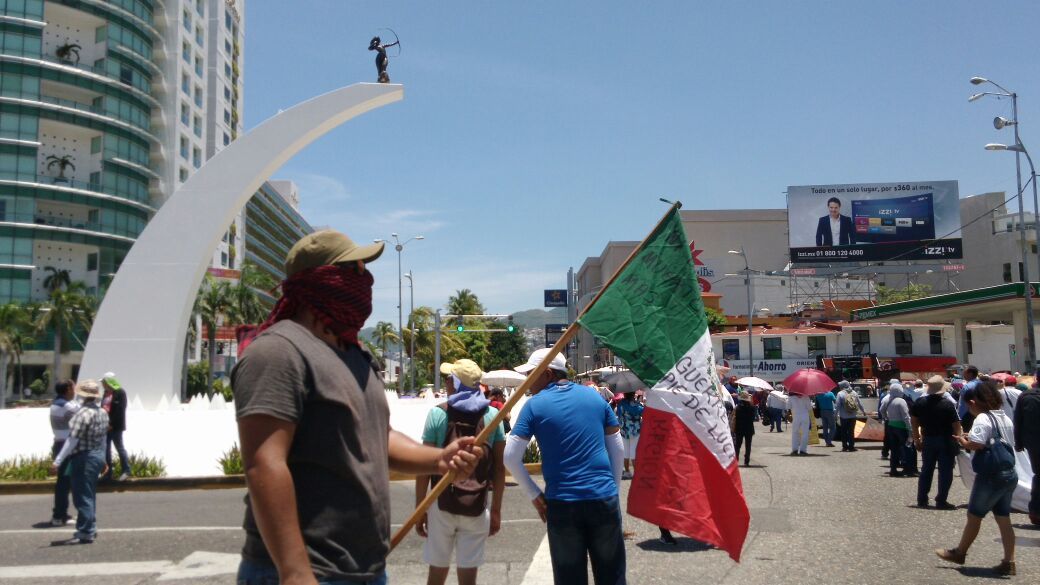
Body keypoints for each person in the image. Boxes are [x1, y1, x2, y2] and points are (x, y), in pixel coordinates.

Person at [231, 230, 483, 585]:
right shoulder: (278, 352)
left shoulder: (357, 355)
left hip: (365, 570)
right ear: (320, 281)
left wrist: (438, 460)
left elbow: (378, 438)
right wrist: (294, 571)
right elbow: (264, 464)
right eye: (354, 270)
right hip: (304, 573)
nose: (365, 280)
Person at [503, 348, 626, 585]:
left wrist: (534, 494)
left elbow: (510, 456)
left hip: (563, 503)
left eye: (531, 373)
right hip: (603, 498)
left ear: (548, 373)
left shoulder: (534, 405)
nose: (527, 380)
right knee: (612, 576)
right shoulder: (594, 397)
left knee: (570, 579)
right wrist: (613, 489)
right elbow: (617, 447)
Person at [416, 359, 506, 585]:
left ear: (456, 384)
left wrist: (420, 509)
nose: (446, 383)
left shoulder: (438, 415)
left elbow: (424, 468)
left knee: (436, 573)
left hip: (440, 505)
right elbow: (499, 468)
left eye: (449, 379)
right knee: (468, 578)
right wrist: (496, 510)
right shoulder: (492, 417)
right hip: (476, 505)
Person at [936, 381, 1018, 576]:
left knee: (974, 515)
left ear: (973, 402)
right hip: (1009, 473)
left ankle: (960, 552)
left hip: (990, 475)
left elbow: (976, 444)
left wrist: (964, 440)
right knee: (1004, 518)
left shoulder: (982, 418)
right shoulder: (1004, 417)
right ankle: (1009, 561)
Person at [49, 380, 108, 545]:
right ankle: (91, 527)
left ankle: (85, 530)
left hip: (83, 456)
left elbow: (72, 440)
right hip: (96, 455)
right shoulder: (102, 412)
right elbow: (104, 438)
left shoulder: (81, 414)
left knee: (82, 496)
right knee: (89, 494)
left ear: (81, 395)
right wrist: (103, 458)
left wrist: (58, 461)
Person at [911, 375, 961, 509]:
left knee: (926, 469)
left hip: (928, 439)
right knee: (945, 471)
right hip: (945, 440)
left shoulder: (920, 403)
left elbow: (914, 422)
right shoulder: (947, 404)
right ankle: (941, 499)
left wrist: (917, 439)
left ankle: (922, 498)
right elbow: (956, 425)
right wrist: (959, 439)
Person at [48, 379, 79, 526]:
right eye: (73, 388)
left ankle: (60, 514)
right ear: (67, 389)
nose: (75, 391)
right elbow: (81, 415)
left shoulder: (55, 404)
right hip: (67, 447)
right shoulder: (67, 406)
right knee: (65, 483)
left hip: (58, 444)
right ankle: (59, 515)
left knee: (63, 482)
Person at [1013, 376, 1040, 525]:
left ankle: (1035, 511)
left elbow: (1018, 420)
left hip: (1033, 443)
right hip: (1033, 441)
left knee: (1038, 475)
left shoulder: (1026, 396)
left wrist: (1018, 442)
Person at [100, 373, 130, 481]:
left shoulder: (120, 393)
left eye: (104, 382)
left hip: (115, 426)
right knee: (106, 449)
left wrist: (111, 424)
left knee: (119, 447)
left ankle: (126, 470)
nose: (102, 385)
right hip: (105, 426)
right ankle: (108, 473)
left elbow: (119, 410)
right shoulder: (106, 393)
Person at [883, 382, 915, 477]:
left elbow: (881, 410)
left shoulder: (888, 400)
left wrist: (887, 418)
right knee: (907, 448)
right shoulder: (901, 401)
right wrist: (910, 430)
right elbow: (906, 417)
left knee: (894, 449)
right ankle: (908, 469)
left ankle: (893, 469)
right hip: (901, 427)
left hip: (891, 426)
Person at [615, 391, 644, 480]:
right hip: (636, 430)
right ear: (633, 394)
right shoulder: (637, 404)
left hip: (624, 430)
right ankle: (636, 473)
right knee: (634, 451)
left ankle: (627, 471)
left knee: (626, 452)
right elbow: (642, 413)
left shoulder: (620, 404)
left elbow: (619, 415)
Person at [835, 381, 864, 452]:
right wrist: (863, 412)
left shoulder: (840, 393)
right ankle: (851, 446)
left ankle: (845, 446)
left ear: (842, 386)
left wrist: (835, 414)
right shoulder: (854, 392)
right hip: (853, 416)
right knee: (851, 431)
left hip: (844, 416)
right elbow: (859, 403)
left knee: (844, 431)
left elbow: (837, 405)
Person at [733, 391, 757, 466]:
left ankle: (736, 460)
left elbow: (735, 418)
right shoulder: (752, 407)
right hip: (749, 428)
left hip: (739, 428)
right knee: (748, 445)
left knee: (737, 445)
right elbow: (753, 418)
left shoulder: (737, 408)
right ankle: (746, 461)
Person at [957, 365, 981, 432]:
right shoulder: (983, 384)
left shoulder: (967, 387)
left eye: (964, 373)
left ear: (970, 374)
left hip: (969, 415)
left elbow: (963, 404)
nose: (963, 375)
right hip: (982, 413)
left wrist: (960, 417)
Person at [788, 391, 812, 456]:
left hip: (796, 416)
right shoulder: (806, 397)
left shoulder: (791, 397)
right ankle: (803, 450)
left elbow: (788, 407)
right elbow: (809, 408)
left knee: (795, 433)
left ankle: (794, 450)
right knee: (805, 433)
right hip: (805, 416)